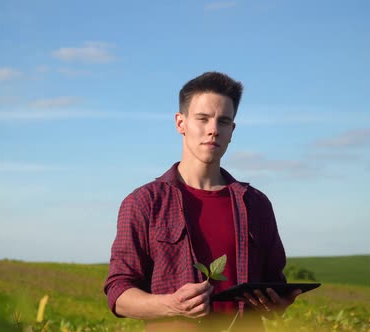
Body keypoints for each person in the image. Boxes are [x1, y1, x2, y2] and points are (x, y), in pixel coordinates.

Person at [104, 72, 300, 331]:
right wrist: (171, 304)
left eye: (224, 121)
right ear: (180, 123)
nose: (213, 130)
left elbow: (275, 284)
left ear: (232, 130)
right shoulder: (144, 202)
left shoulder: (257, 204)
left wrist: (275, 303)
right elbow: (119, 293)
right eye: (203, 118)